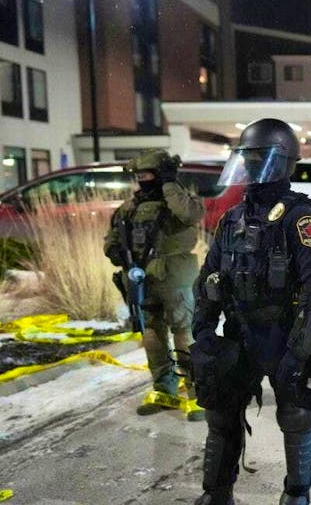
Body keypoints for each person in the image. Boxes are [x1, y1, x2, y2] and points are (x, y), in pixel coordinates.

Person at [190, 118, 311, 505]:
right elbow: (208, 278)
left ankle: (296, 495)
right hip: (239, 333)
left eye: (262, 159)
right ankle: (217, 494)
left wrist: (298, 353)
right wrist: (203, 331)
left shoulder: (299, 218)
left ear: (283, 162)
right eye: (249, 159)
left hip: (283, 334)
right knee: (221, 414)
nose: (254, 167)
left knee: (294, 414)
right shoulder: (232, 219)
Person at [104, 149, 205, 420]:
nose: (142, 180)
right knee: (151, 333)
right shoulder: (130, 207)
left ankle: (198, 395)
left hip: (174, 277)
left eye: (148, 175)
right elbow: (113, 234)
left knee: (184, 333)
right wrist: (113, 250)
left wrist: (170, 184)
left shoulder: (181, 201)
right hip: (141, 280)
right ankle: (164, 391)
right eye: (139, 176)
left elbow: (188, 214)